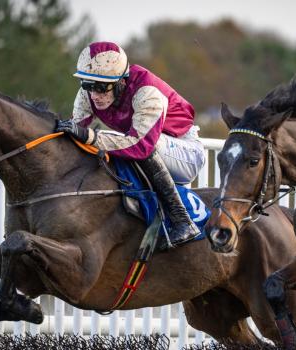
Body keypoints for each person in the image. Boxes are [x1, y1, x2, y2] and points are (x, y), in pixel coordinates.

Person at [54, 41, 206, 246]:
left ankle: (182, 220)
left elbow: (141, 146)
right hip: (145, 141)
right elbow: (74, 131)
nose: (94, 95)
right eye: (87, 85)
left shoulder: (146, 91)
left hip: (185, 151)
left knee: (143, 145)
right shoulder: (89, 93)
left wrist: (89, 136)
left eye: (101, 87)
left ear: (121, 82)